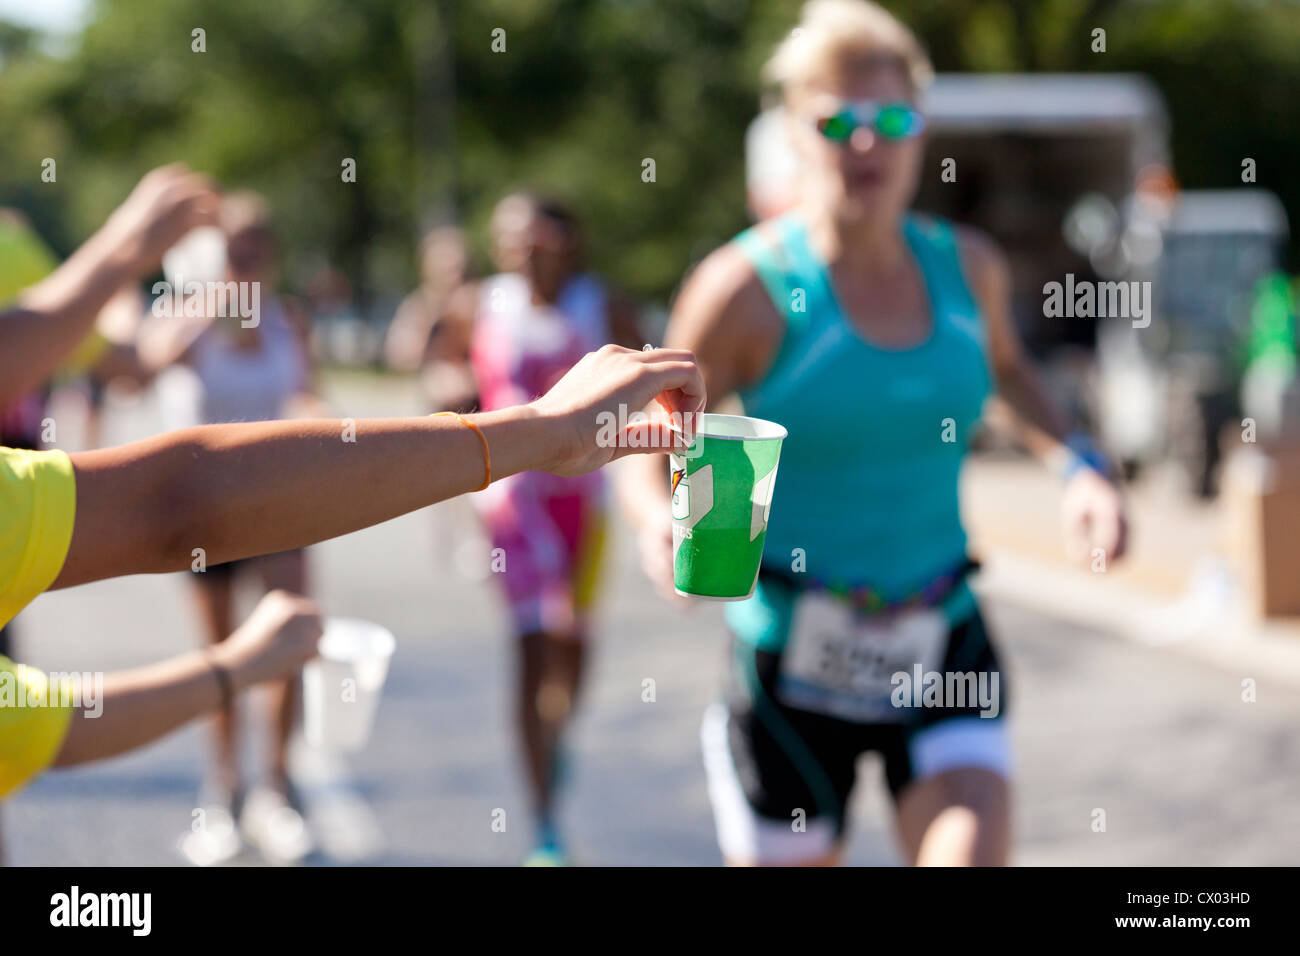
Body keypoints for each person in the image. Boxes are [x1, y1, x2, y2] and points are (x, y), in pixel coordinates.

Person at [621, 0, 1127, 866]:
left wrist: (1080, 466)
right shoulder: (747, 287)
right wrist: (657, 520)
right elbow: (650, 430)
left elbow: (1009, 373)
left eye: (890, 120)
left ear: (920, 133)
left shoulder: (967, 265)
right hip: (788, 659)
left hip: (941, 636)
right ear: (792, 133)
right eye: (836, 122)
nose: (865, 145)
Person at [431, 193, 640, 865]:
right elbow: (441, 366)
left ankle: (557, 736)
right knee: (529, 646)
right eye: (511, 237)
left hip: (586, 501)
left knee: (574, 646)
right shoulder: (479, 306)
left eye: (540, 236)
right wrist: (452, 389)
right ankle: (544, 823)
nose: (525, 249)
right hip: (513, 506)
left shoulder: (602, 307)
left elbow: (649, 382)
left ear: (568, 241)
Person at [139, 191, 323, 863]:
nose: (246, 265)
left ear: (270, 258)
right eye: (233, 253)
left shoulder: (287, 322)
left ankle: (277, 789)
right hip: (205, 510)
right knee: (218, 658)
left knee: (289, 639)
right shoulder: (194, 318)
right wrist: (208, 303)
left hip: (280, 501)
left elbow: (308, 394)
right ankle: (223, 792)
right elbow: (144, 364)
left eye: (255, 254)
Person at [383, 226, 477, 413]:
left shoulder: (481, 302)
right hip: (437, 406)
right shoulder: (419, 306)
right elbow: (399, 357)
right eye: (447, 270)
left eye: (460, 269)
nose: (455, 278)